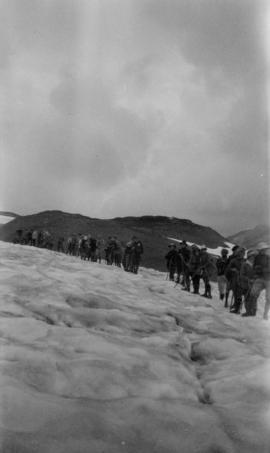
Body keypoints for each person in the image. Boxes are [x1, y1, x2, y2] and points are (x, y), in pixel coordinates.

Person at [244, 243, 270, 319]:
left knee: (269, 298)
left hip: (269, 280)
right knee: (252, 294)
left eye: (263, 250)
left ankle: (265, 314)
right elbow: (254, 268)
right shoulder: (257, 258)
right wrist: (255, 272)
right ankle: (251, 312)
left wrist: (261, 269)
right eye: (260, 250)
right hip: (260, 278)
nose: (262, 251)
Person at [225, 247, 246, 314]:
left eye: (242, 253)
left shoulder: (245, 261)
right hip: (234, 279)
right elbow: (228, 269)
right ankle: (236, 306)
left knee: (238, 294)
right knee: (235, 292)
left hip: (241, 280)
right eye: (240, 252)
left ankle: (237, 309)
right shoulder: (233, 260)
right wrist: (232, 270)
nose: (241, 254)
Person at [240, 249, 258, 317]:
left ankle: (253, 311)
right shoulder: (245, 264)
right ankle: (248, 311)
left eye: (254, 256)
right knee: (247, 297)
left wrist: (255, 279)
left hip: (254, 284)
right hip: (246, 284)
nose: (253, 258)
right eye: (252, 256)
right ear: (249, 256)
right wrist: (248, 279)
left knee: (254, 298)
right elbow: (241, 275)